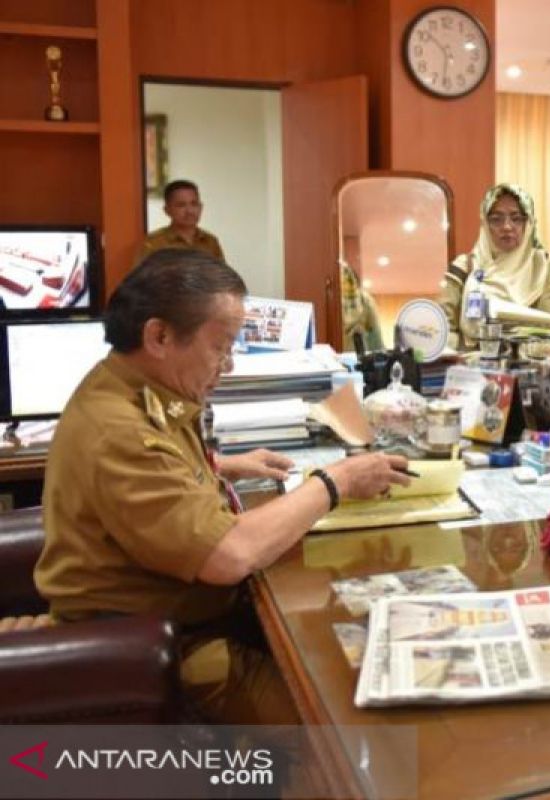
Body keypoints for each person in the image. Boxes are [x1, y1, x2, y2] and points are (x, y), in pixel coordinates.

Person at [34, 248, 412, 723]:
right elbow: (228, 555)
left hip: (182, 615)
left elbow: (155, 477)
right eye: (221, 346)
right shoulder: (120, 430)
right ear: (159, 336)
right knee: (335, 719)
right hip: (152, 644)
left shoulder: (134, 389)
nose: (228, 365)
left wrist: (220, 466)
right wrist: (335, 481)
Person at [438, 183, 550, 385]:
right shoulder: (465, 269)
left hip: (546, 388)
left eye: (516, 218)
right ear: (484, 223)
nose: (507, 226)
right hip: (481, 385)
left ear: (529, 223)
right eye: (496, 219)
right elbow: (445, 329)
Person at [141, 179, 226, 262]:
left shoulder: (210, 242)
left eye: (194, 204)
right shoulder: (153, 243)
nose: (189, 211)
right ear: (167, 210)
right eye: (181, 205)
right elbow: (141, 276)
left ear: (201, 207)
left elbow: (223, 275)